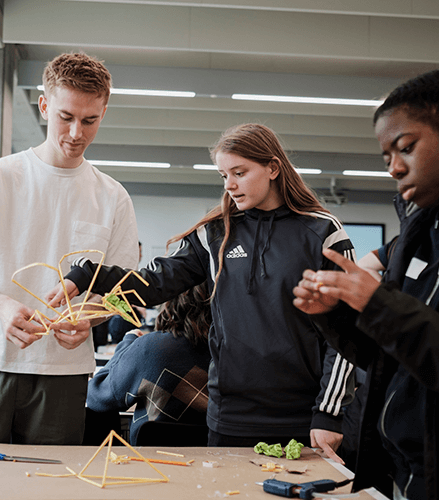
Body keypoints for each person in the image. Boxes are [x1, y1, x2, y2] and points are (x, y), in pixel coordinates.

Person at [48, 123, 355, 461]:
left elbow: (345, 333)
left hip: (302, 415)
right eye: (224, 175)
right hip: (229, 415)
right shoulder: (215, 235)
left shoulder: (323, 232)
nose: (230, 185)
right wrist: (90, 274)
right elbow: (156, 282)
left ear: (273, 168)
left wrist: (329, 412)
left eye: (239, 172)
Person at [0, 52, 139, 445]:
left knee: (47, 485)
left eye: (89, 120)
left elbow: (118, 293)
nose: (76, 132)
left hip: (62, 373)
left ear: (103, 111)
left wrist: (90, 320)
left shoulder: (113, 197)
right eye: (66, 117)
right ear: (45, 105)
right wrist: (0, 305)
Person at [292, 69, 439, 499]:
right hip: (407, 471)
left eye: (407, 148)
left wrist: (378, 304)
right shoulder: (418, 237)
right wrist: (335, 314)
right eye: (386, 156)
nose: (394, 167)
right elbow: (386, 358)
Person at [87, 281, 212, 445]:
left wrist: (127, 344)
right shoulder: (237, 352)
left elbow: (98, 397)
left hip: (149, 462)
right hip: (217, 460)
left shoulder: (152, 347)